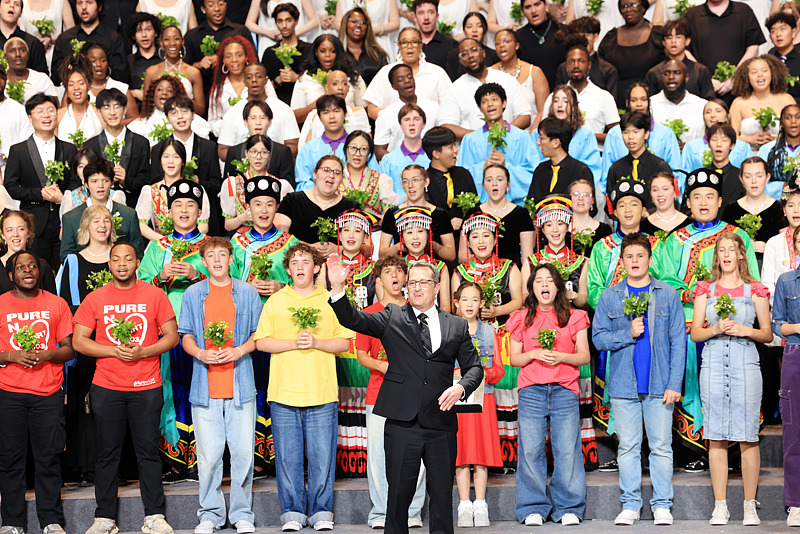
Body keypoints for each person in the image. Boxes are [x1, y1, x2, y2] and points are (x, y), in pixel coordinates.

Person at [327, 250, 483, 534]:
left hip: (441, 423)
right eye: (412, 282)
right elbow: (354, 319)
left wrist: (460, 387)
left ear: (437, 287)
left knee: (440, 500)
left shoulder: (456, 324)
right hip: (401, 423)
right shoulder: (391, 316)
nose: (416, 287)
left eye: (424, 282)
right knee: (397, 498)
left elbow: (475, 368)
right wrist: (337, 288)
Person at [72, 242, 179, 534]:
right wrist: (111, 351)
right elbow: (78, 341)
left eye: (127, 259)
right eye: (116, 259)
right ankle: (104, 517)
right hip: (107, 387)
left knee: (147, 451)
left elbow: (171, 336)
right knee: (107, 453)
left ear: (137, 263)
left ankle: (154, 516)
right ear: (109, 265)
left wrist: (143, 352)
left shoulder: (154, 295)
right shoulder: (96, 298)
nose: (122, 264)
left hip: (146, 385)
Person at [657, 167, 759, 470]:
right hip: (688, 324)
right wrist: (692, 292)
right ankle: (694, 451)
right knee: (689, 376)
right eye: (697, 196)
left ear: (720, 200)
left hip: (731, 323)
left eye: (710, 196)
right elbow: (663, 280)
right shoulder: (674, 240)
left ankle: (736, 449)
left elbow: (751, 280)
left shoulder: (737, 236)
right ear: (687, 202)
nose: (703, 202)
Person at [253, 243, 353, 532]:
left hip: (321, 392)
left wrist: (317, 342)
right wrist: (293, 343)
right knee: (288, 458)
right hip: (284, 393)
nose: (299, 266)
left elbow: (345, 342)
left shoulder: (330, 299)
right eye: (294, 262)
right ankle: (293, 513)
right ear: (287, 269)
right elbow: (261, 342)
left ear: (316, 267)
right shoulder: (276, 300)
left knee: (323, 458)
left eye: (306, 261)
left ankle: (322, 512)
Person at [593, 233, 686, 526]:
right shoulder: (610, 296)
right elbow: (598, 339)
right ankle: (631, 504)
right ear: (622, 261)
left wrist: (674, 384)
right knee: (628, 447)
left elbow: (678, 343)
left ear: (649, 259)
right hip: (623, 385)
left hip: (660, 385)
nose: (635, 261)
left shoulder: (667, 295)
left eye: (640, 256)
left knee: (660, 446)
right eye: (629, 256)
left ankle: (662, 505)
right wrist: (627, 333)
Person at [177, 237, 262, 534]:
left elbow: (258, 336)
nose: (216, 260)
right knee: (210, 456)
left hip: (240, 385)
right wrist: (201, 353)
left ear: (230, 259)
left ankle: (242, 514)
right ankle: (210, 514)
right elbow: (185, 336)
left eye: (222, 255)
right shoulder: (192, 294)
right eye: (210, 255)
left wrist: (238, 351)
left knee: (243, 454)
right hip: (205, 387)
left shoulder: (248, 293)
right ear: (203, 261)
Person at [690, 232, 772, 526]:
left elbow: (767, 333)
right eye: (721, 250)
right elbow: (696, 332)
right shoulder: (705, 289)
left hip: (745, 367)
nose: (726, 254)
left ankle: (750, 505)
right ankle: (720, 505)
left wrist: (744, 330)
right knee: (717, 437)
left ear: (741, 254)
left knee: (748, 436)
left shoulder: (755, 289)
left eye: (731, 249)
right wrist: (716, 329)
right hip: (712, 366)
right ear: (718, 256)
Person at [138, 178, 210, 483]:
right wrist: (160, 276)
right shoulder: (157, 246)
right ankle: (175, 460)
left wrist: (198, 273)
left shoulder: (210, 246)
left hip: (203, 332)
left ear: (199, 212)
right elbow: (140, 286)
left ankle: (204, 459)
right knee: (169, 392)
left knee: (203, 392)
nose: (184, 210)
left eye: (190, 205)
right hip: (164, 332)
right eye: (178, 205)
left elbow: (229, 282)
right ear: (168, 211)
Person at [508, 262, 590, 526]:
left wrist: (561, 357)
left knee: (567, 450)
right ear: (531, 287)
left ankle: (569, 507)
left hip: (565, 390)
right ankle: (532, 507)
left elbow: (584, 356)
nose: (544, 285)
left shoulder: (575, 316)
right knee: (531, 450)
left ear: (559, 287)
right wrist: (533, 354)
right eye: (539, 280)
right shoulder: (521, 317)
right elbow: (514, 358)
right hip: (531, 391)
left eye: (549, 280)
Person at [229, 175, 299, 477]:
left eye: (269, 204)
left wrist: (279, 285)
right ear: (249, 207)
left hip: (282, 327)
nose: (263, 210)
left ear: (277, 207)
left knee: (281, 387)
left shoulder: (291, 243)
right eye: (257, 204)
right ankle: (253, 455)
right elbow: (226, 282)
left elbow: (301, 283)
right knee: (251, 388)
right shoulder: (237, 243)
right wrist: (248, 285)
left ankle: (284, 453)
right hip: (246, 326)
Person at [0, 251, 74, 534]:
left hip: (48, 392)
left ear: (39, 272)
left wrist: (46, 355)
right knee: (10, 459)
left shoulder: (56, 304)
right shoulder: (1, 304)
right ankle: (11, 522)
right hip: (9, 393)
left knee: (48, 458)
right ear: (11, 275)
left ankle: (51, 521)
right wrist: (12, 355)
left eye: (32, 266)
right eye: (21, 267)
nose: (28, 270)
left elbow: (68, 349)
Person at [354, 255, 427, 529]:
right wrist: (383, 366)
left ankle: (412, 511)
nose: (394, 276)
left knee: (415, 456)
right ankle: (381, 513)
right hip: (379, 394)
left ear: (406, 278)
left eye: (399, 271)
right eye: (388, 272)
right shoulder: (370, 313)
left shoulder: (418, 311)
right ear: (379, 279)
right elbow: (362, 355)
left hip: (413, 395)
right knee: (378, 456)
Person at [56, 204, 113, 488]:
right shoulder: (72, 261)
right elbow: (63, 303)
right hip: (84, 343)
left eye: (106, 220)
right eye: (95, 220)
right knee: (84, 403)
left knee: (112, 406)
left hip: (117, 344)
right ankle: (85, 466)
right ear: (85, 227)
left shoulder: (121, 258)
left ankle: (116, 464)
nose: (101, 225)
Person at [452, 281, 505, 528]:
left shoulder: (490, 332)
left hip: (484, 398)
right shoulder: (449, 330)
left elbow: (499, 370)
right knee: (461, 452)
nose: (470, 304)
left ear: (482, 303)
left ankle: (480, 504)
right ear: (456, 303)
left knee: (481, 453)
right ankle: (464, 504)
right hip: (458, 400)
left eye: (475, 299)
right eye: (465, 299)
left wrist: (485, 373)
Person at [4, 93, 78, 268]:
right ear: (30, 117)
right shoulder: (18, 150)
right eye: (40, 111)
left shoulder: (69, 149)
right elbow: (11, 185)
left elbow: (76, 182)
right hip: (34, 223)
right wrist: (39, 194)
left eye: (51, 111)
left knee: (66, 270)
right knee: (37, 270)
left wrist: (64, 197)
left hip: (64, 221)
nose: (47, 115)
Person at [150, 95, 223, 235]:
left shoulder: (209, 147)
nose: (180, 117)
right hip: (168, 218)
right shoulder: (158, 149)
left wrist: (198, 182)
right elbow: (154, 182)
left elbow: (216, 184)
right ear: (167, 119)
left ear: (193, 115)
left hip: (202, 218)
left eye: (184, 111)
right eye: (173, 113)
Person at [457, 83, 538, 206]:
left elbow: (534, 172)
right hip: (482, 207)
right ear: (479, 108)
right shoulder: (470, 140)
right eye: (484, 102)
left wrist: (507, 166)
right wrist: (482, 168)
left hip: (518, 206)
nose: (490, 104)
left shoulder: (522, 137)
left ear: (504, 103)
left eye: (494, 99)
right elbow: (461, 176)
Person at [439, 38, 531, 140]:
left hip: (509, 145)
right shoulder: (455, 88)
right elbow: (447, 125)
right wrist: (480, 136)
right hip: (474, 149)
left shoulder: (507, 79)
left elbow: (525, 116)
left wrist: (502, 133)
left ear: (483, 53)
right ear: (460, 61)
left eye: (474, 50)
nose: (470, 56)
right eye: (464, 54)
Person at [771, 224, 800, 527]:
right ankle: (796, 503)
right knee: (794, 432)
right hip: (795, 354)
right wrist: (796, 328)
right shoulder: (787, 281)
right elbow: (777, 323)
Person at [61, 157, 143, 262]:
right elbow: (66, 256)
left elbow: (138, 253)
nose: (100, 186)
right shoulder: (71, 218)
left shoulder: (128, 215)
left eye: (105, 181)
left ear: (111, 183)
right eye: (94, 181)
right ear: (86, 184)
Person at [275, 154, 358, 256]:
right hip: (297, 263)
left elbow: (365, 246)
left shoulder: (351, 207)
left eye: (337, 173)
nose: (331, 176)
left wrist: (339, 249)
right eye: (326, 170)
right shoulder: (292, 200)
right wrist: (308, 248)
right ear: (315, 173)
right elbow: (279, 238)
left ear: (341, 179)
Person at [363, 26, 452, 121]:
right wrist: (398, 121)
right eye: (404, 43)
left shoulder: (437, 72)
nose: (409, 47)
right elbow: (372, 109)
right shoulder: (386, 72)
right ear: (399, 45)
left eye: (414, 42)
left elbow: (449, 107)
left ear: (421, 45)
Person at [602, 82, 681, 187]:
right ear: (627, 103)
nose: (639, 104)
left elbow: (676, 174)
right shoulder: (614, 134)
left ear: (649, 102)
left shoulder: (666, 133)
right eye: (634, 100)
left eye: (643, 100)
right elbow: (607, 175)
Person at [217, 61, 301, 159]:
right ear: (244, 82)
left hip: (275, 169)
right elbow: (223, 151)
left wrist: (267, 157)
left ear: (266, 81)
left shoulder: (284, 109)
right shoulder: (232, 113)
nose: (254, 80)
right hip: (243, 170)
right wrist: (250, 157)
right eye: (249, 77)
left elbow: (293, 146)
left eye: (258, 76)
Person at [683, 0, 765, 98]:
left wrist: (735, 79)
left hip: (740, 89)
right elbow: (684, 49)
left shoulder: (743, 11)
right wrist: (705, 79)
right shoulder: (692, 15)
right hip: (703, 91)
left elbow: (753, 48)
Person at [84, 88, 151, 208]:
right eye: (106, 107)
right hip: (99, 210)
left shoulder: (140, 143)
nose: (112, 112)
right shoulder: (91, 145)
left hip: (133, 207)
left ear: (125, 109)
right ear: (98, 111)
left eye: (117, 106)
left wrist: (126, 181)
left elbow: (146, 182)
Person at [453, 210, 522, 325]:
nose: (481, 241)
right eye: (475, 237)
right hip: (472, 333)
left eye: (486, 235)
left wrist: (496, 311)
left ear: (495, 240)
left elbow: (518, 301)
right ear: (468, 243)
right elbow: (456, 309)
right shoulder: (459, 272)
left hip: (504, 333)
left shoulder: (510, 267)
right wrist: (473, 312)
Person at [457, 164, 534, 267]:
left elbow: (527, 259)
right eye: (489, 180)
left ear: (508, 184)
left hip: (512, 275)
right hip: (480, 273)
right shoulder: (472, 213)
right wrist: (482, 257)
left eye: (499, 179)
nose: (494, 184)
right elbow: (462, 257)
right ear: (483, 185)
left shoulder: (521, 214)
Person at [137, 139, 211, 241]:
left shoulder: (195, 189)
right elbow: (142, 226)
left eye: (176, 157)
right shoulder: (150, 191)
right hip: (160, 244)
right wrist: (166, 242)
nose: (170, 161)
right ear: (160, 160)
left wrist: (185, 242)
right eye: (166, 156)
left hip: (191, 244)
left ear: (183, 161)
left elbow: (203, 225)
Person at [548, 39, 620, 144]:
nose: (576, 65)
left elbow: (616, 136)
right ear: (566, 66)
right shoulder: (553, 98)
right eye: (571, 62)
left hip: (594, 156)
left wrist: (586, 136)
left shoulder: (603, 96)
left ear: (589, 65)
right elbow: (544, 132)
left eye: (581, 61)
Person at [379, 165, 456, 262]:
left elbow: (451, 255)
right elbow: (381, 254)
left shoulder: (440, 214)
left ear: (426, 182)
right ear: (402, 185)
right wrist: (399, 247)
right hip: (402, 270)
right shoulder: (392, 214)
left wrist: (432, 245)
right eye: (406, 181)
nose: (410, 185)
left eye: (415, 180)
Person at [532, 84, 601, 187]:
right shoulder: (538, 134)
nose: (560, 105)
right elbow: (532, 162)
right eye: (555, 101)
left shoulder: (586, 135)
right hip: (545, 183)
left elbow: (592, 167)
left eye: (565, 101)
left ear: (574, 106)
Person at [596, 0, 664, 105]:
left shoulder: (658, 35)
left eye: (633, 5)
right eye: (624, 7)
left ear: (643, 7)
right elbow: (600, 67)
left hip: (653, 100)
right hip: (619, 101)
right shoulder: (611, 38)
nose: (628, 10)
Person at [221, 134, 293, 234]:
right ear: (246, 153)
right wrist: (243, 218)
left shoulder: (279, 185)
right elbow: (228, 225)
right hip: (243, 238)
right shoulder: (234, 183)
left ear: (269, 155)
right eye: (254, 152)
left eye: (263, 152)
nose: (258, 157)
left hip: (271, 235)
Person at [606, 111, 674, 214]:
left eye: (635, 132)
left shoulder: (660, 166)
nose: (630, 137)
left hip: (653, 225)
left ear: (646, 134)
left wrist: (648, 213)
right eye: (626, 132)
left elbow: (670, 201)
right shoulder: (616, 168)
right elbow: (610, 205)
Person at [183, 0, 254, 97]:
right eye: (211, 5)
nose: (217, 9)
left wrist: (224, 59)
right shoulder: (193, 35)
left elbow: (253, 62)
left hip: (237, 92)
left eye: (220, 4)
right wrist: (199, 64)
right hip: (202, 93)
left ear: (226, 5)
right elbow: (183, 70)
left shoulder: (240, 31)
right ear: (203, 9)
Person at [722, 156, 783, 269]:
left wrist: (769, 248)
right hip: (737, 269)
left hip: (771, 268)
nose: (754, 181)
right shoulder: (731, 209)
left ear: (767, 177)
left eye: (759, 176)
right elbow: (722, 243)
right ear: (741, 179)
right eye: (748, 176)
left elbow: (787, 244)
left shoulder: (778, 208)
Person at [290, 34, 365, 124]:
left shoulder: (352, 76)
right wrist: (315, 105)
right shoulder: (305, 78)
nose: (327, 55)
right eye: (322, 51)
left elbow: (363, 110)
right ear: (316, 52)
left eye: (332, 51)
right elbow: (295, 117)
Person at [220, 99, 296, 184]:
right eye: (253, 118)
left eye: (263, 117)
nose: (258, 122)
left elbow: (289, 185)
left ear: (270, 122)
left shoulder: (282, 151)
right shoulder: (234, 152)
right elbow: (228, 185)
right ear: (245, 122)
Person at [373, 64, 439, 159]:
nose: (407, 81)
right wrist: (400, 164)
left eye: (410, 77)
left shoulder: (433, 107)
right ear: (393, 87)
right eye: (400, 80)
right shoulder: (386, 114)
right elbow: (379, 150)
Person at [730, 55, 795, 151]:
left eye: (764, 70)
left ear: (772, 73)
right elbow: (730, 138)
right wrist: (749, 139)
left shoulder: (786, 100)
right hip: (748, 156)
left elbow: (796, 132)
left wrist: (776, 140)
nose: (760, 75)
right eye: (754, 72)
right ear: (747, 77)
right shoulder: (738, 103)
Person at [394, 206, 452, 312]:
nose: (415, 237)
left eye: (420, 231)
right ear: (402, 238)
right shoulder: (396, 268)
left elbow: (445, 306)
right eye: (409, 232)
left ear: (428, 235)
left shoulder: (440, 267)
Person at [129, 75, 213, 146]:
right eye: (160, 90)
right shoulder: (138, 125)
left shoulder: (191, 120)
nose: (164, 93)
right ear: (153, 95)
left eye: (169, 90)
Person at [297, 69, 370, 150]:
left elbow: (368, 145)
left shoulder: (359, 113)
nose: (340, 88)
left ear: (348, 88)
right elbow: (306, 148)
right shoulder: (315, 115)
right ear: (327, 87)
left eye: (344, 84)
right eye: (335, 84)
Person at [490, 29, 549, 129]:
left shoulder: (534, 72)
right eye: (497, 43)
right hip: (499, 137)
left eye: (506, 41)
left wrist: (532, 136)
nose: (501, 46)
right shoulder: (490, 73)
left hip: (531, 135)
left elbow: (543, 111)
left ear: (517, 45)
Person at [645, 18, 715, 102]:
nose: (673, 41)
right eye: (669, 37)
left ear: (687, 41)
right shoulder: (654, 73)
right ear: (663, 42)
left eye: (678, 37)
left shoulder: (700, 71)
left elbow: (709, 102)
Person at [422, 125, 478, 231]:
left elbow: (475, 209)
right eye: (451, 147)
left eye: (455, 145)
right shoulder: (424, 181)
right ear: (436, 154)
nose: (456, 150)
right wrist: (446, 224)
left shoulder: (464, 175)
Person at [142, 25, 205, 116]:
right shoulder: (151, 72)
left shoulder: (193, 72)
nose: (172, 43)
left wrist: (180, 97)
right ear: (161, 43)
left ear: (182, 41)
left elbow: (201, 109)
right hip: (156, 122)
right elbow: (146, 107)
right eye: (167, 39)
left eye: (176, 39)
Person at [528, 117, 593, 205]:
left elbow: (591, 207)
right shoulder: (540, 170)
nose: (538, 142)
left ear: (556, 142)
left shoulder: (581, 171)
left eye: (541, 138)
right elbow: (530, 203)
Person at [260, 3, 314, 106]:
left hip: (305, 106)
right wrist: (277, 81)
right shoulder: (270, 53)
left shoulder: (308, 50)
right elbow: (262, 87)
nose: (284, 25)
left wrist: (298, 78)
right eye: (280, 21)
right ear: (276, 23)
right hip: (276, 107)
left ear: (296, 21)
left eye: (288, 20)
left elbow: (317, 84)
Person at [339, 130, 398, 222]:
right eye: (353, 148)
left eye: (363, 149)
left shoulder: (382, 180)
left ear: (369, 153)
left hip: (374, 234)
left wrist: (365, 217)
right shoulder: (336, 178)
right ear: (346, 150)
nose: (357, 154)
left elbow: (388, 220)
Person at [294, 95, 352, 188]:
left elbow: (373, 176)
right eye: (326, 112)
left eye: (336, 111)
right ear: (319, 117)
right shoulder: (309, 148)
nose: (332, 116)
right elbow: (302, 182)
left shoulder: (358, 146)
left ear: (345, 114)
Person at [683, 98, 752, 174]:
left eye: (718, 111)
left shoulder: (743, 147)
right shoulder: (691, 147)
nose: (712, 115)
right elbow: (684, 175)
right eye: (708, 112)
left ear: (727, 116)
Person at [650, 59, 708, 146]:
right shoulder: (651, 104)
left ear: (687, 77)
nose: (671, 77)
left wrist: (689, 148)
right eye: (666, 73)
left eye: (677, 72)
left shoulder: (702, 105)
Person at [555, 19, 619, 97]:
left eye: (586, 35)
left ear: (595, 37)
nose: (582, 39)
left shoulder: (608, 70)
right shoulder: (563, 69)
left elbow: (611, 102)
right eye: (578, 35)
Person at [207, 36, 256, 136]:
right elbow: (212, 121)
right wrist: (227, 127)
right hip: (228, 141)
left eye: (239, 55)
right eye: (229, 56)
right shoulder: (218, 88)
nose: (234, 60)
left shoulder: (260, 82)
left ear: (246, 57)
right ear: (223, 61)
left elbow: (274, 111)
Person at [378, 104, 432, 192]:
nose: (411, 123)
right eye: (406, 120)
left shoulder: (433, 157)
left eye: (416, 119)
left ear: (424, 124)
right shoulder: (388, 160)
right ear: (400, 125)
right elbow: (384, 193)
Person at [0, 209, 56, 293]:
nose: (15, 234)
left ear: (28, 233)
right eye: (9, 230)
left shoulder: (42, 266)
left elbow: (52, 300)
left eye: (21, 229)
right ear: (3, 235)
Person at [514, 0, 566, 89]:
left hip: (561, 95)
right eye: (528, 7)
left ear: (545, 5)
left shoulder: (564, 31)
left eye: (537, 4)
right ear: (522, 11)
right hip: (529, 96)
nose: (533, 10)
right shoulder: (518, 37)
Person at [55, 55, 104, 145]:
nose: (76, 87)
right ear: (67, 90)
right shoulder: (57, 116)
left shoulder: (100, 115)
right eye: (71, 84)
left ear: (88, 86)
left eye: (81, 83)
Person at [338, 7, 389, 85]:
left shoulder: (378, 54)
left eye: (363, 23)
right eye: (354, 21)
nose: (358, 25)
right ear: (345, 23)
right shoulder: (337, 53)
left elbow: (387, 82)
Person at [759, 103, 800, 197]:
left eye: (798, 117)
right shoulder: (767, 149)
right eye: (788, 118)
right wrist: (783, 186)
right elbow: (758, 180)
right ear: (781, 123)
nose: (793, 121)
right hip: (774, 202)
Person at [444, 11, 497, 81]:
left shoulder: (493, 55)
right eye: (469, 26)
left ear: (485, 30)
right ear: (464, 31)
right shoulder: (454, 55)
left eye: (479, 26)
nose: (474, 30)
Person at [0, 0, 48, 76]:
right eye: (7, 2)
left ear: (21, 13)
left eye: (17, 4)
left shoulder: (33, 43)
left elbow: (42, 79)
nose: (12, 6)